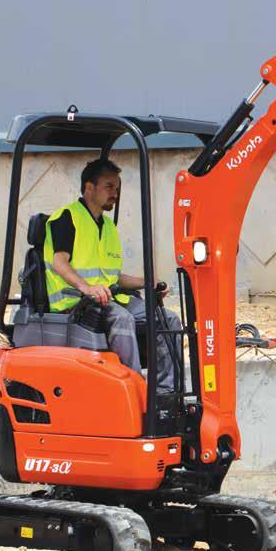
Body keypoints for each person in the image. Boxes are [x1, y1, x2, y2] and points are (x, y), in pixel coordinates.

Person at [43, 158, 181, 392]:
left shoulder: (108, 227)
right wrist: (87, 288)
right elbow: (59, 263)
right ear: (89, 188)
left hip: (107, 299)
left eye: (116, 188)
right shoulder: (66, 218)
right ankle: (135, 392)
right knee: (123, 320)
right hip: (76, 302)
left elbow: (113, 277)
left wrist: (148, 282)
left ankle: (166, 392)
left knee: (169, 320)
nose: (114, 193)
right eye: (109, 186)